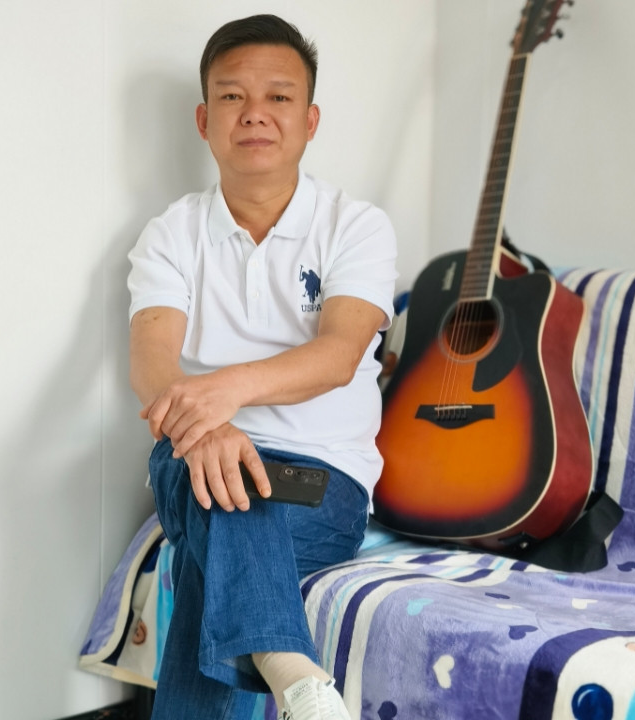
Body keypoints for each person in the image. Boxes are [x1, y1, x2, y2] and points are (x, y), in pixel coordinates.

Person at [127, 14, 397, 720]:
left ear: (309, 121)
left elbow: (338, 357)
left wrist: (222, 396)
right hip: (191, 456)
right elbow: (151, 363)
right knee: (212, 478)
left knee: (212, 544)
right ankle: (298, 680)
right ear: (204, 119)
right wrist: (205, 430)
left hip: (323, 480)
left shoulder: (357, 226)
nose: (254, 114)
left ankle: (294, 679)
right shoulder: (172, 233)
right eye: (231, 96)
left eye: (278, 97)